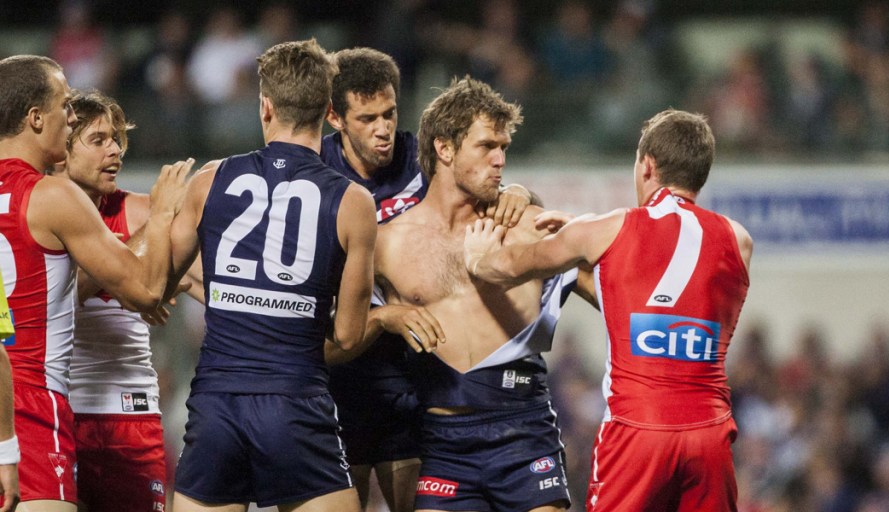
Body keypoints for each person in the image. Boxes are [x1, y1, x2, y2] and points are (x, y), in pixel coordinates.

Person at [465, 109, 753, 511]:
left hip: (637, 431)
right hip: (711, 436)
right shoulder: (739, 239)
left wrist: (478, 258)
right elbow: (669, 281)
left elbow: (510, 267)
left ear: (647, 165)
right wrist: (592, 239)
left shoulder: (605, 229)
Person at [166, 39, 377, 512]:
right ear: (329, 112)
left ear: (265, 106)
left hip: (217, 403)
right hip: (296, 403)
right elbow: (348, 334)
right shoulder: (353, 202)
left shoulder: (210, 179)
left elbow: (155, 282)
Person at [320, 48, 533, 512]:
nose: (382, 129)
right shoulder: (315, 175)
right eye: (367, 119)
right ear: (334, 117)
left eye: (389, 113)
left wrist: (518, 191)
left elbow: (485, 186)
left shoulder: (423, 160)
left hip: (413, 375)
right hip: (341, 374)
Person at [369, 76, 578, 512]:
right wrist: (384, 317)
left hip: (525, 432)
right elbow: (336, 335)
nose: (500, 160)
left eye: (503, 147)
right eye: (486, 146)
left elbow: (618, 289)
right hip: (442, 444)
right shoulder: (386, 244)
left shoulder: (528, 226)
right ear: (444, 149)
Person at [0, 55, 190, 512]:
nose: (70, 117)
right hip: (31, 400)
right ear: (36, 118)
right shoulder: (52, 195)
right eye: (65, 105)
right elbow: (145, 291)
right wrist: (164, 213)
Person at [51, 91, 171, 512]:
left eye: (116, 139)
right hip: (61, 415)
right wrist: (138, 265)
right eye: (98, 140)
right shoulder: (44, 210)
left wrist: (164, 278)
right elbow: (66, 292)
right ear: (63, 152)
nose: (115, 150)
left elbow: (194, 276)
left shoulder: (138, 210)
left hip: (131, 414)